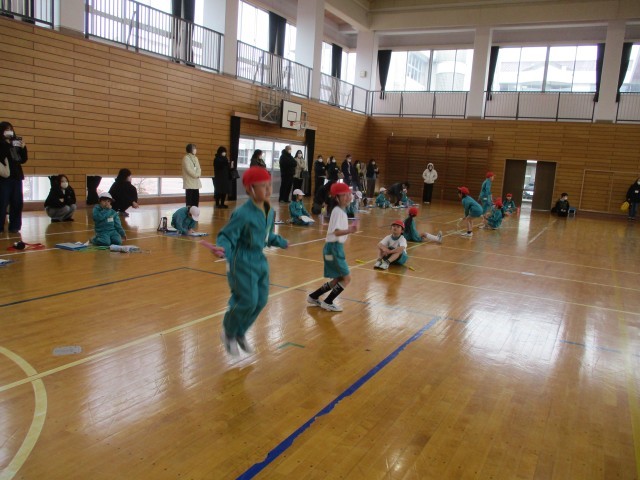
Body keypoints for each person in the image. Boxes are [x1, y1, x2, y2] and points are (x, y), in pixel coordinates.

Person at [213, 166, 289, 355]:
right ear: (250, 189)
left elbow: (266, 235)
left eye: (269, 184)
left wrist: (280, 241)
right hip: (241, 260)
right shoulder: (242, 213)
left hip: (260, 260)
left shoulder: (269, 211)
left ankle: (240, 332)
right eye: (263, 185)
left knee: (261, 300)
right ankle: (228, 332)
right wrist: (223, 247)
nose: (268, 189)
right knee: (247, 300)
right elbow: (226, 235)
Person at [307, 182, 357, 312]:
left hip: (331, 248)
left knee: (338, 278)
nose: (347, 197)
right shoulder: (338, 211)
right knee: (347, 278)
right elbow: (336, 232)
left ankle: (313, 296)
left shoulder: (340, 211)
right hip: (334, 249)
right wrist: (350, 230)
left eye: (348, 194)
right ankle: (328, 302)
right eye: (343, 195)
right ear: (336, 198)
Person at [0, 121, 28, 233]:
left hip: (17, 177)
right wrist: (7, 144)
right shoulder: (2, 144)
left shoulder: (15, 143)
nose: (9, 132)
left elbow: (23, 159)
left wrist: (23, 148)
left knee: (17, 202)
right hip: (4, 178)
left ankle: (15, 226)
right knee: (2, 203)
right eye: (7, 129)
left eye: (11, 129)